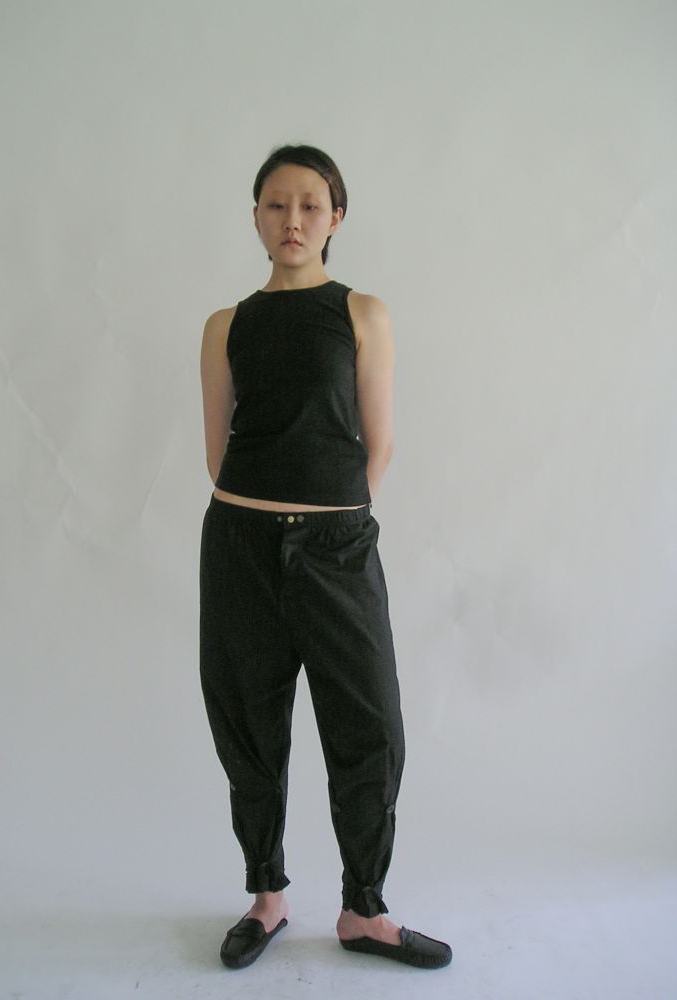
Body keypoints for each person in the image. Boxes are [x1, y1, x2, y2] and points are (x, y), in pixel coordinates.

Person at [199, 143, 452, 971]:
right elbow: (218, 452)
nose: (293, 219)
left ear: (336, 217)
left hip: (338, 548)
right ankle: (266, 898)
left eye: (310, 204)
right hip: (239, 545)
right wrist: (268, 513)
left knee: (370, 726)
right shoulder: (227, 325)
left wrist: (329, 517)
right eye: (277, 205)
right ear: (257, 218)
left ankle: (363, 909)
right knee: (249, 724)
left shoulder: (361, 313)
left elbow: (379, 447)